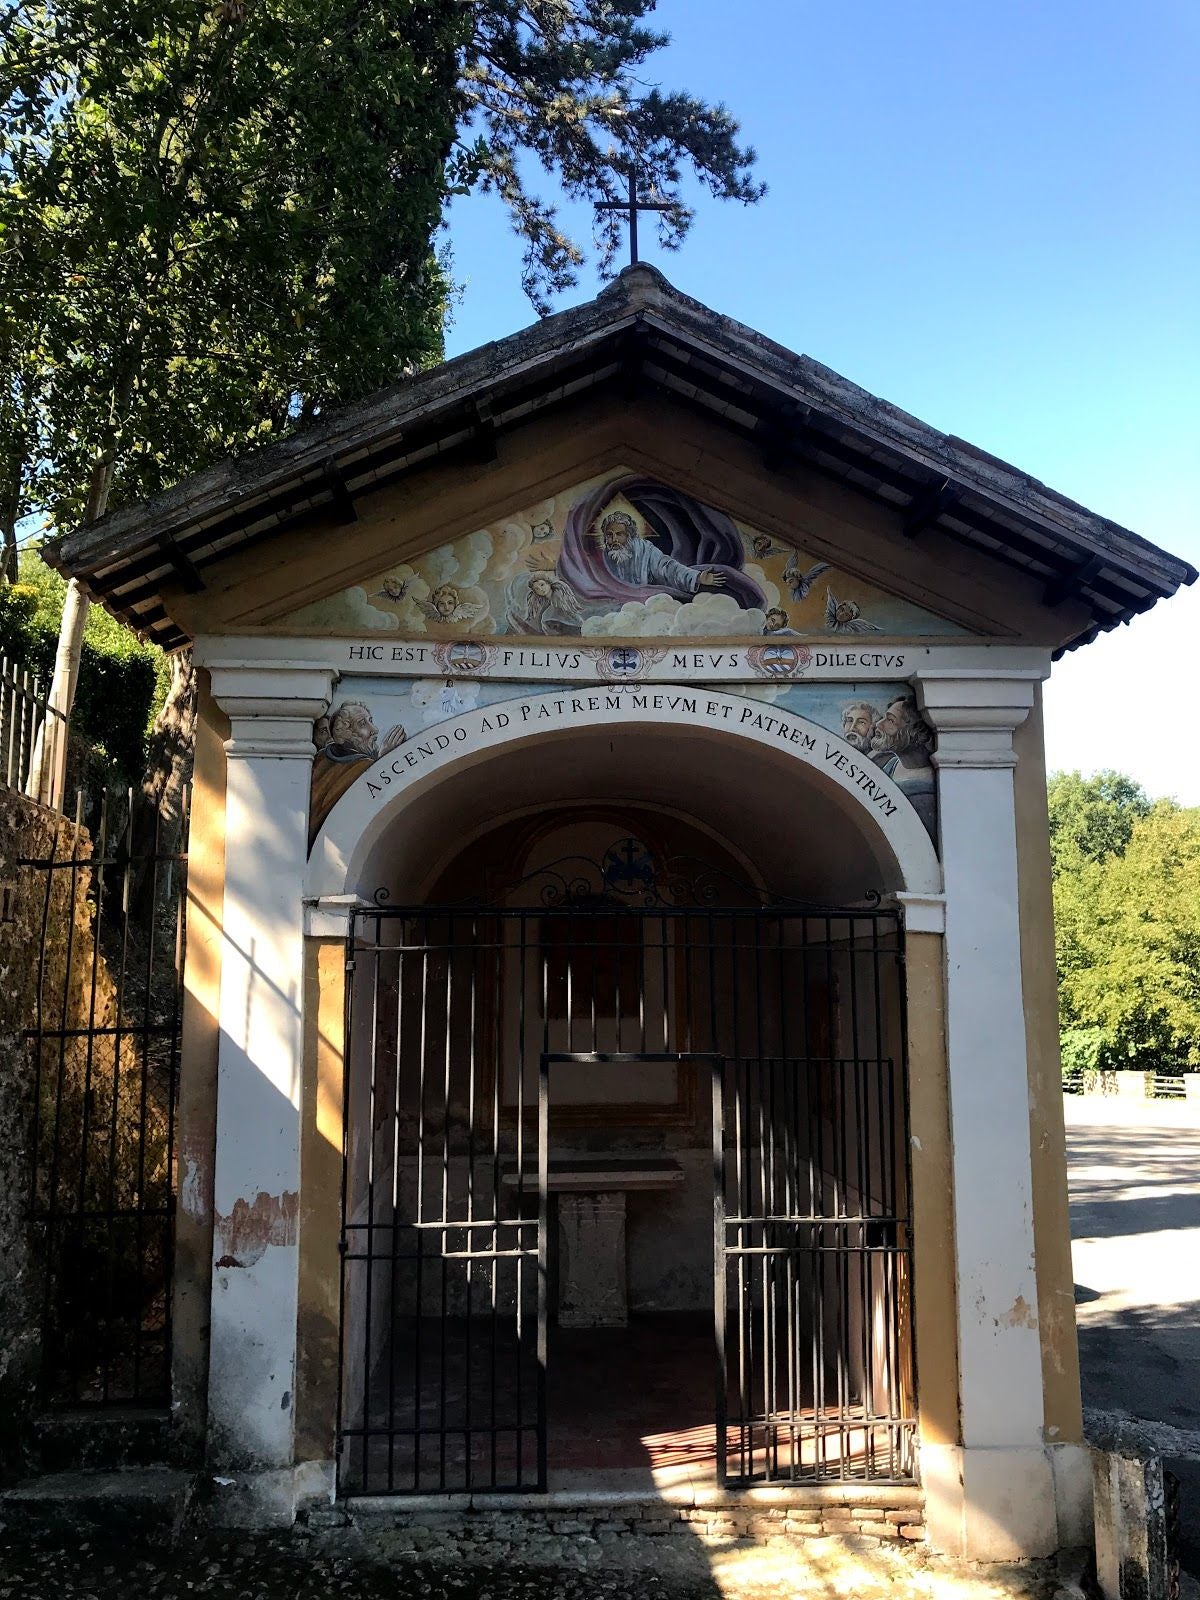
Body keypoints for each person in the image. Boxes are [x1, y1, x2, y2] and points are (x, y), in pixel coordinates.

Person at [557, 474, 765, 610]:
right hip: (612, 606)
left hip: (642, 603)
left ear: (629, 535)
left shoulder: (645, 550)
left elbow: (668, 569)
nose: (613, 540)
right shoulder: (597, 559)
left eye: (618, 535)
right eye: (609, 535)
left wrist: (699, 577)